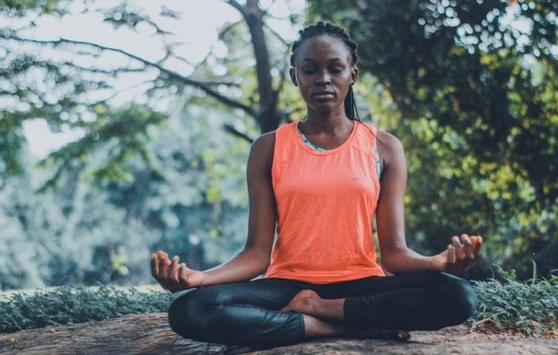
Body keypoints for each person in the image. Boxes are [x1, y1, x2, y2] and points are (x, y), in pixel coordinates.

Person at [151, 21, 483, 347]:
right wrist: (199, 278)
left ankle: (317, 310)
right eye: (310, 70)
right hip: (286, 286)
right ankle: (339, 329)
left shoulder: (383, 147)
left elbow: (394, 255)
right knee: (191, 309)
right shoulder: (268, 147)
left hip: (360, 285)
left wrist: (438, 262)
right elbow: (255, 254)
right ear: (295, 75)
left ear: (352, 75)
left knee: (458, 295)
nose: (323, 79)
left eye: (334, 69)